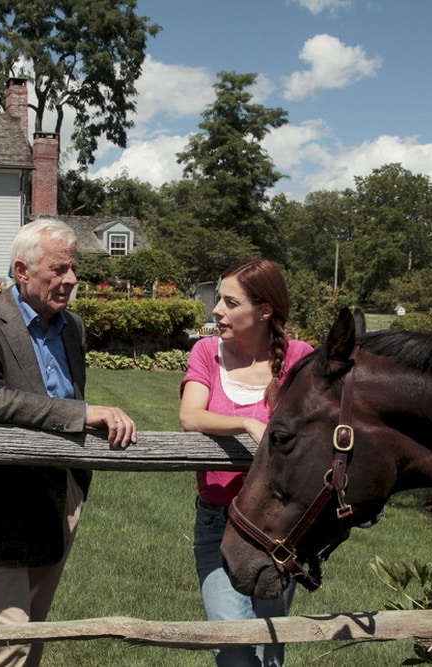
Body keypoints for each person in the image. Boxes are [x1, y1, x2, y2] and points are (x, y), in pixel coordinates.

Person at [0, 218, 137, 667]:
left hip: (57, 500)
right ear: (22, 270)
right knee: (11, 642)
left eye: (73, 268)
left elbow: (64, 393)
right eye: (58, 269)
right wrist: (83, 413)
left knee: (34, 635)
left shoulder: (72, 327)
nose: (72, 279)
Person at [179, 258, 314, 667]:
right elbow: (191, 417)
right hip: (219, 521)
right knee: (233, 647)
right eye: (219, 299)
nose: (216, 310)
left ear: (265, 310)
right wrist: (247, 423)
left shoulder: (299, 358)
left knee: (270, 650)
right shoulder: (207, 351)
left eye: (230, 302)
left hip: (280, 527)